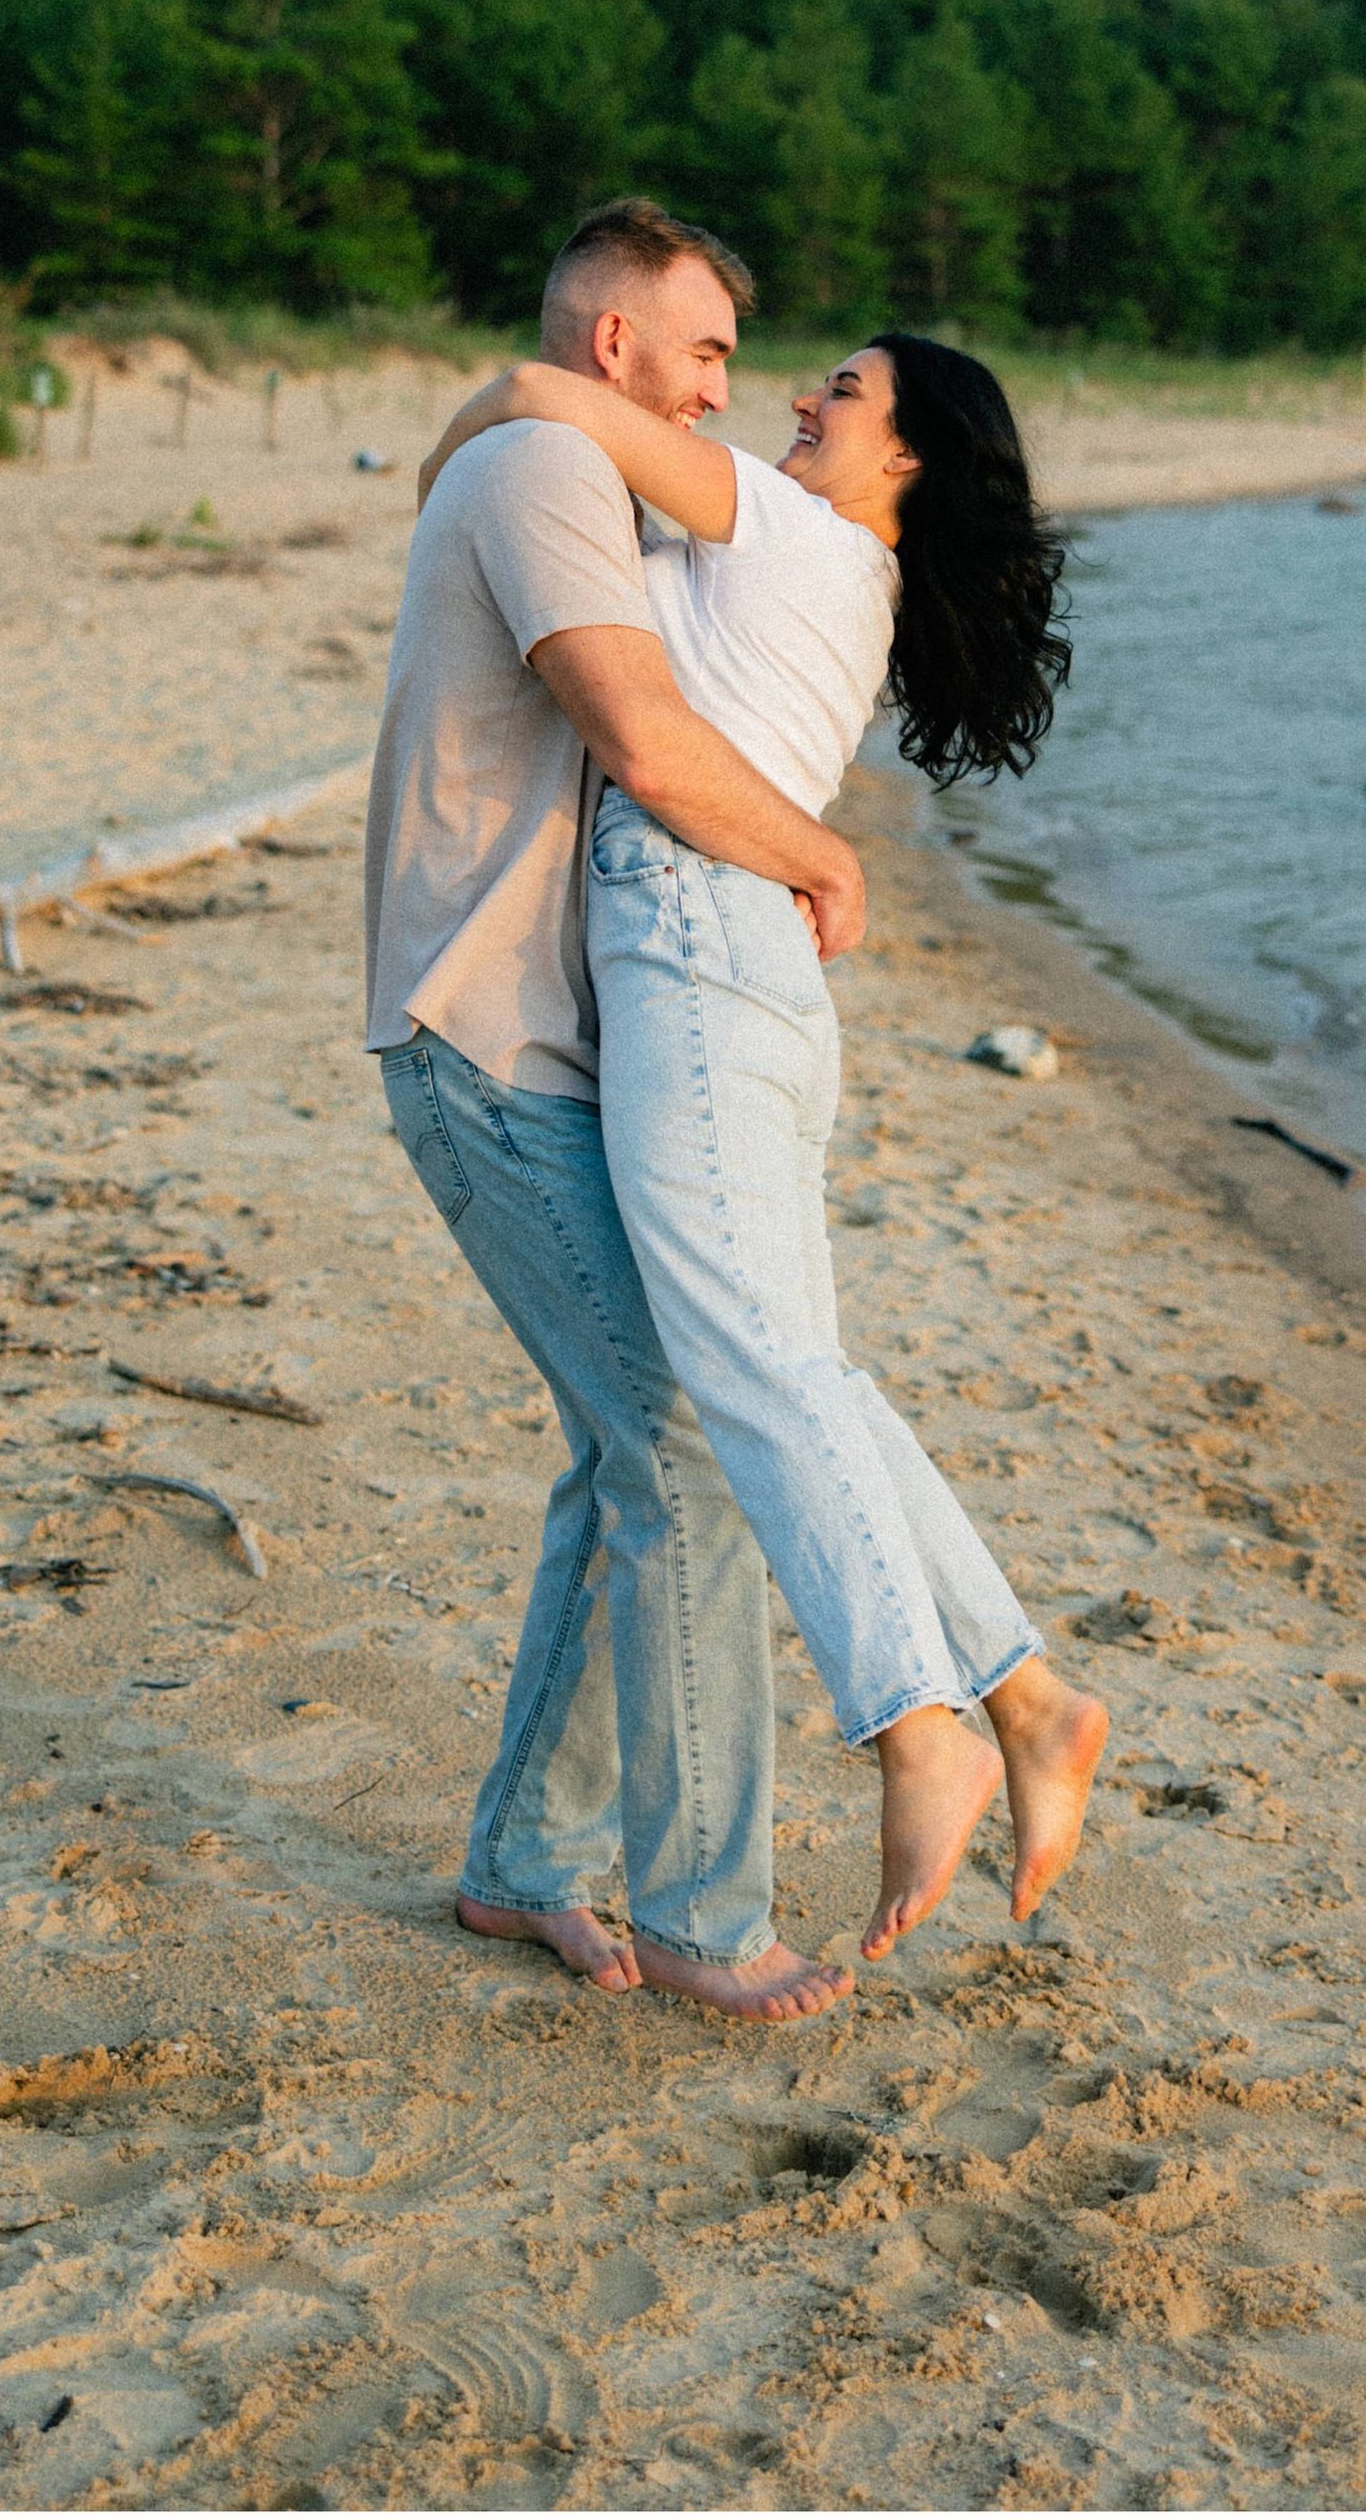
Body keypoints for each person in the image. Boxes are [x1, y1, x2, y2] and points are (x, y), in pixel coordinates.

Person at [420, 328, 1111, 1963]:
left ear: (910, 459)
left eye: (845, 392)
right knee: (810, 1369)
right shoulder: (849, 587)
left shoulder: (791, 527)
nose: (802, 397)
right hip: (758, 979)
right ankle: (1027, 1693)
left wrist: (455, 455)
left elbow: (539, 396)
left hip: (697, 950)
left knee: (751, 1370)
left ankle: (913, 1718)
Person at [364, 198, 868, 2020]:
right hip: (484, 1041)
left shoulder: (563, 462)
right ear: (615, 349)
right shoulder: (544, 484)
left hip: (527, 1046)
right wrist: (823, 857)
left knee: (621, 1450)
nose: (728, 388)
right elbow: (649, 745)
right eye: (711, 351)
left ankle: (520, 1862)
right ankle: (706, 1915)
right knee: (689, 1450)